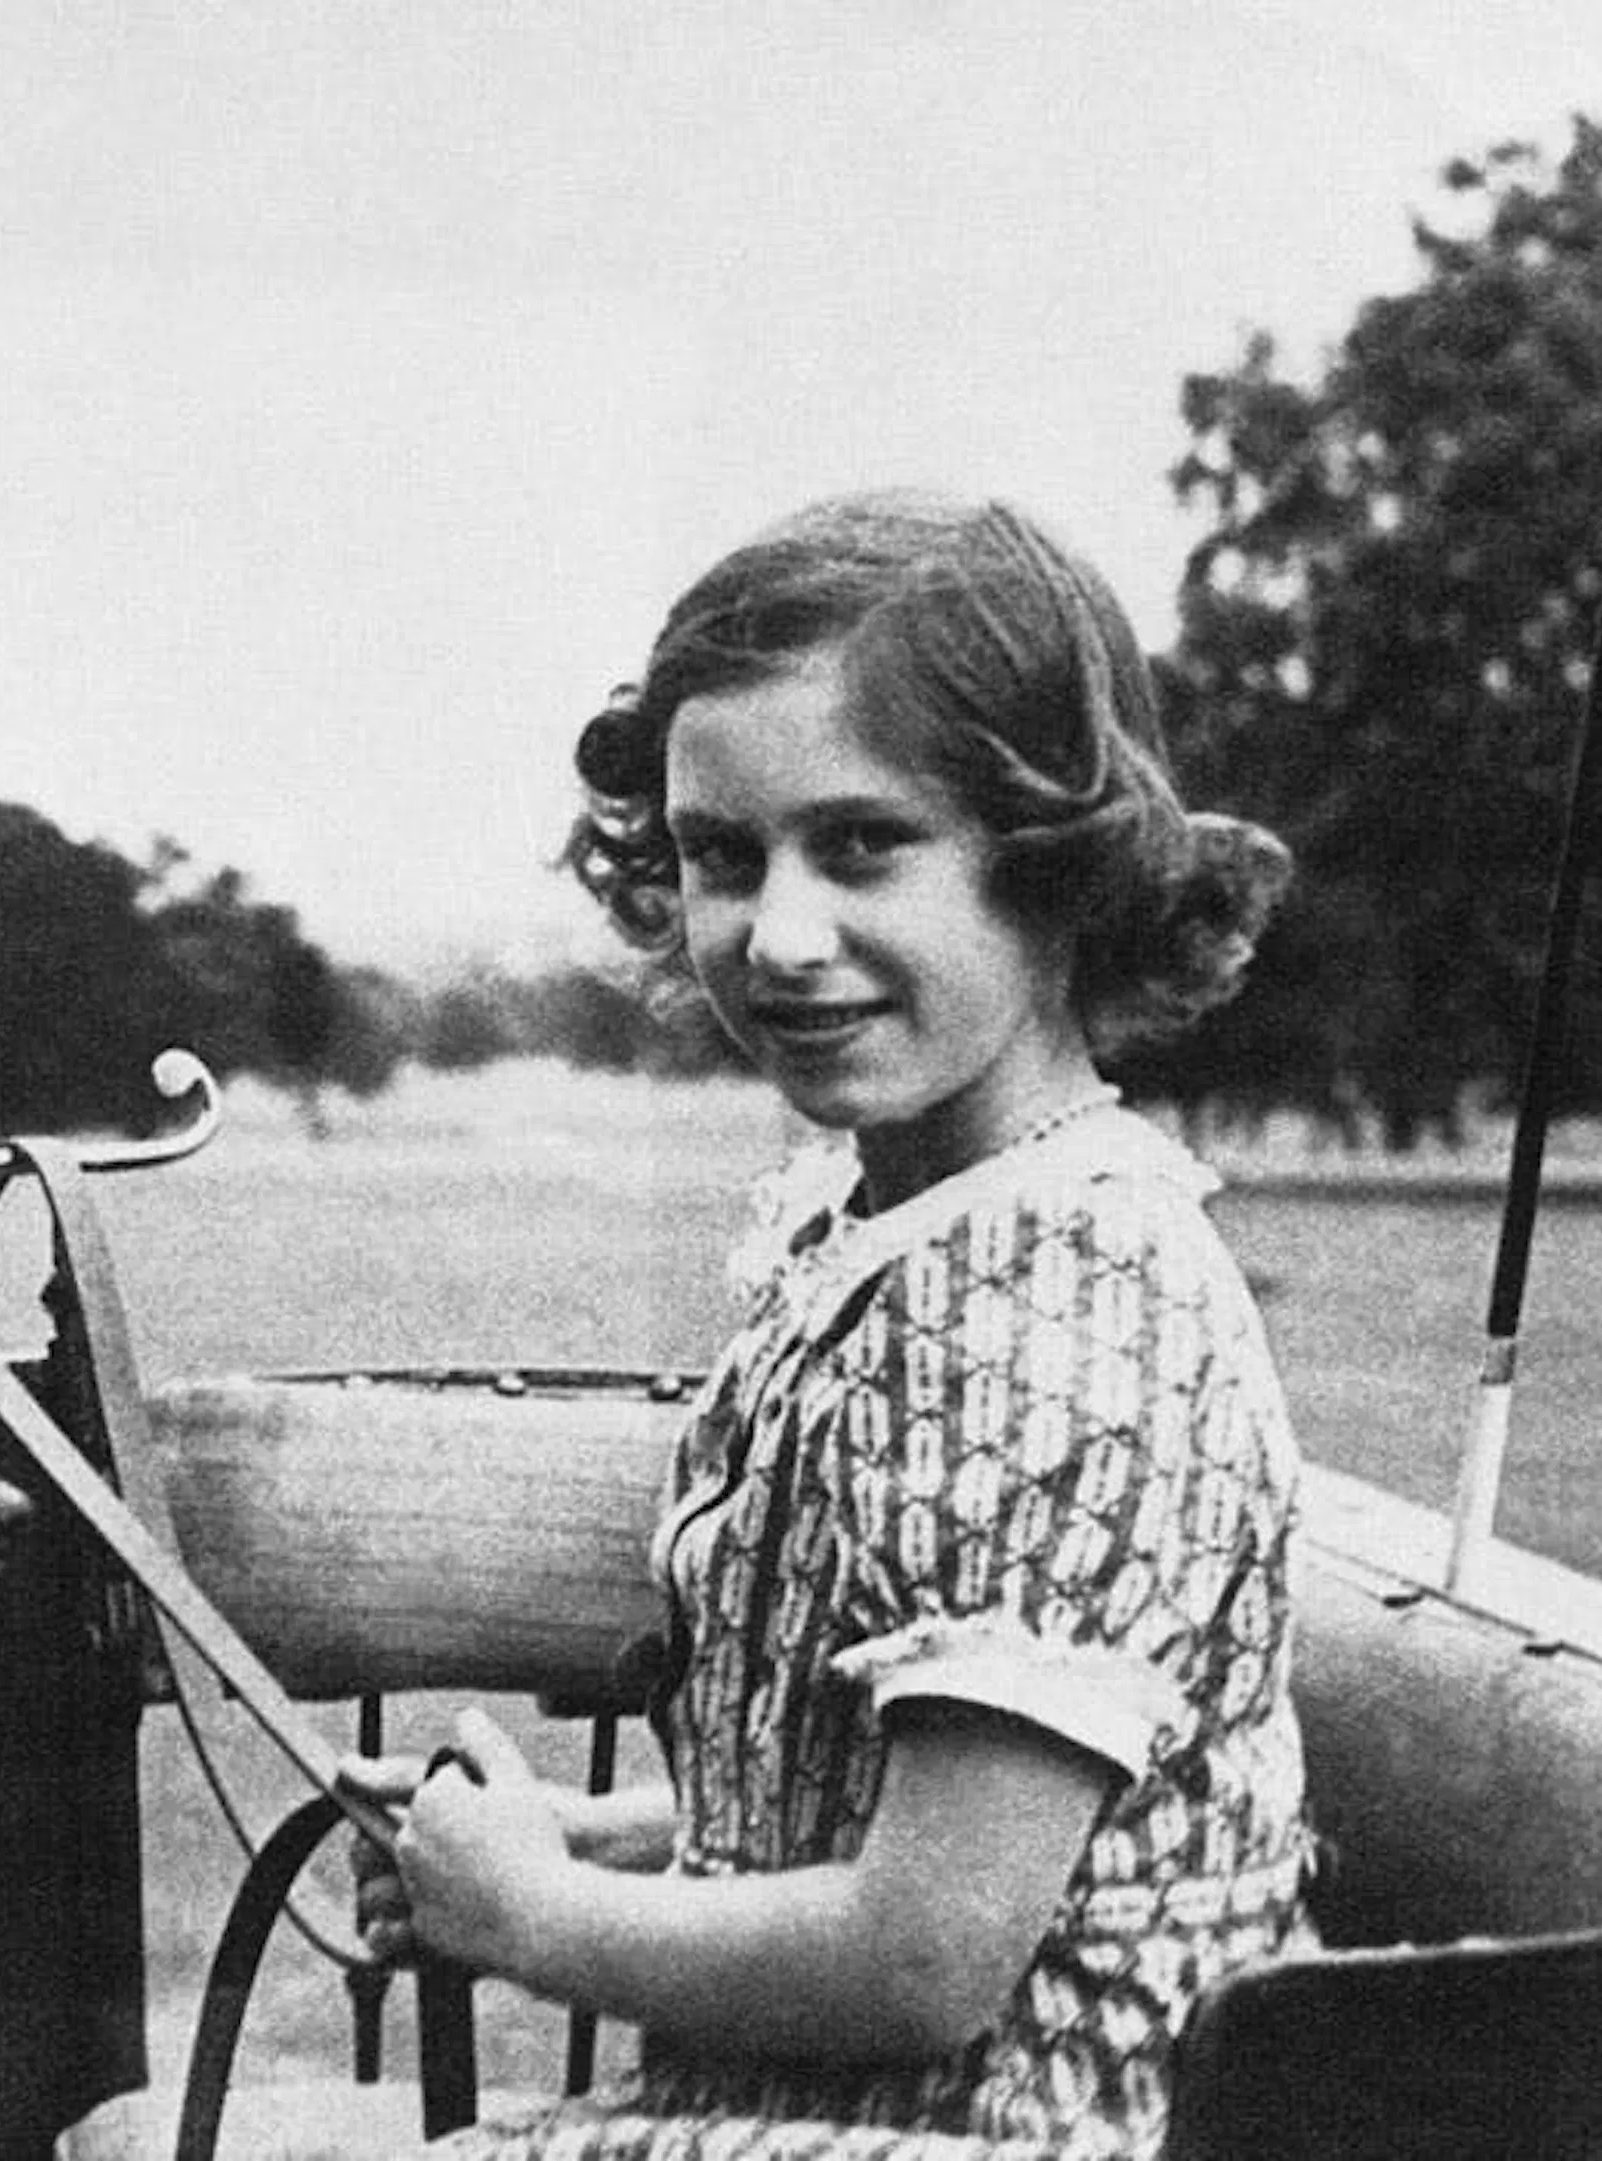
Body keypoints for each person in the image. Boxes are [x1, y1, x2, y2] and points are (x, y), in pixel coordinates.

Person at [346, 490, 1310, 2158]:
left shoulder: (1062, 1295)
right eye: (724, 858)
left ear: (1056, 867)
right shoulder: (881, 1221)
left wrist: (532, 1925)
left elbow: (926, 1955)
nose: (779, 936)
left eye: (862, 845)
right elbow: (860, 1814)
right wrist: (577, 1843)